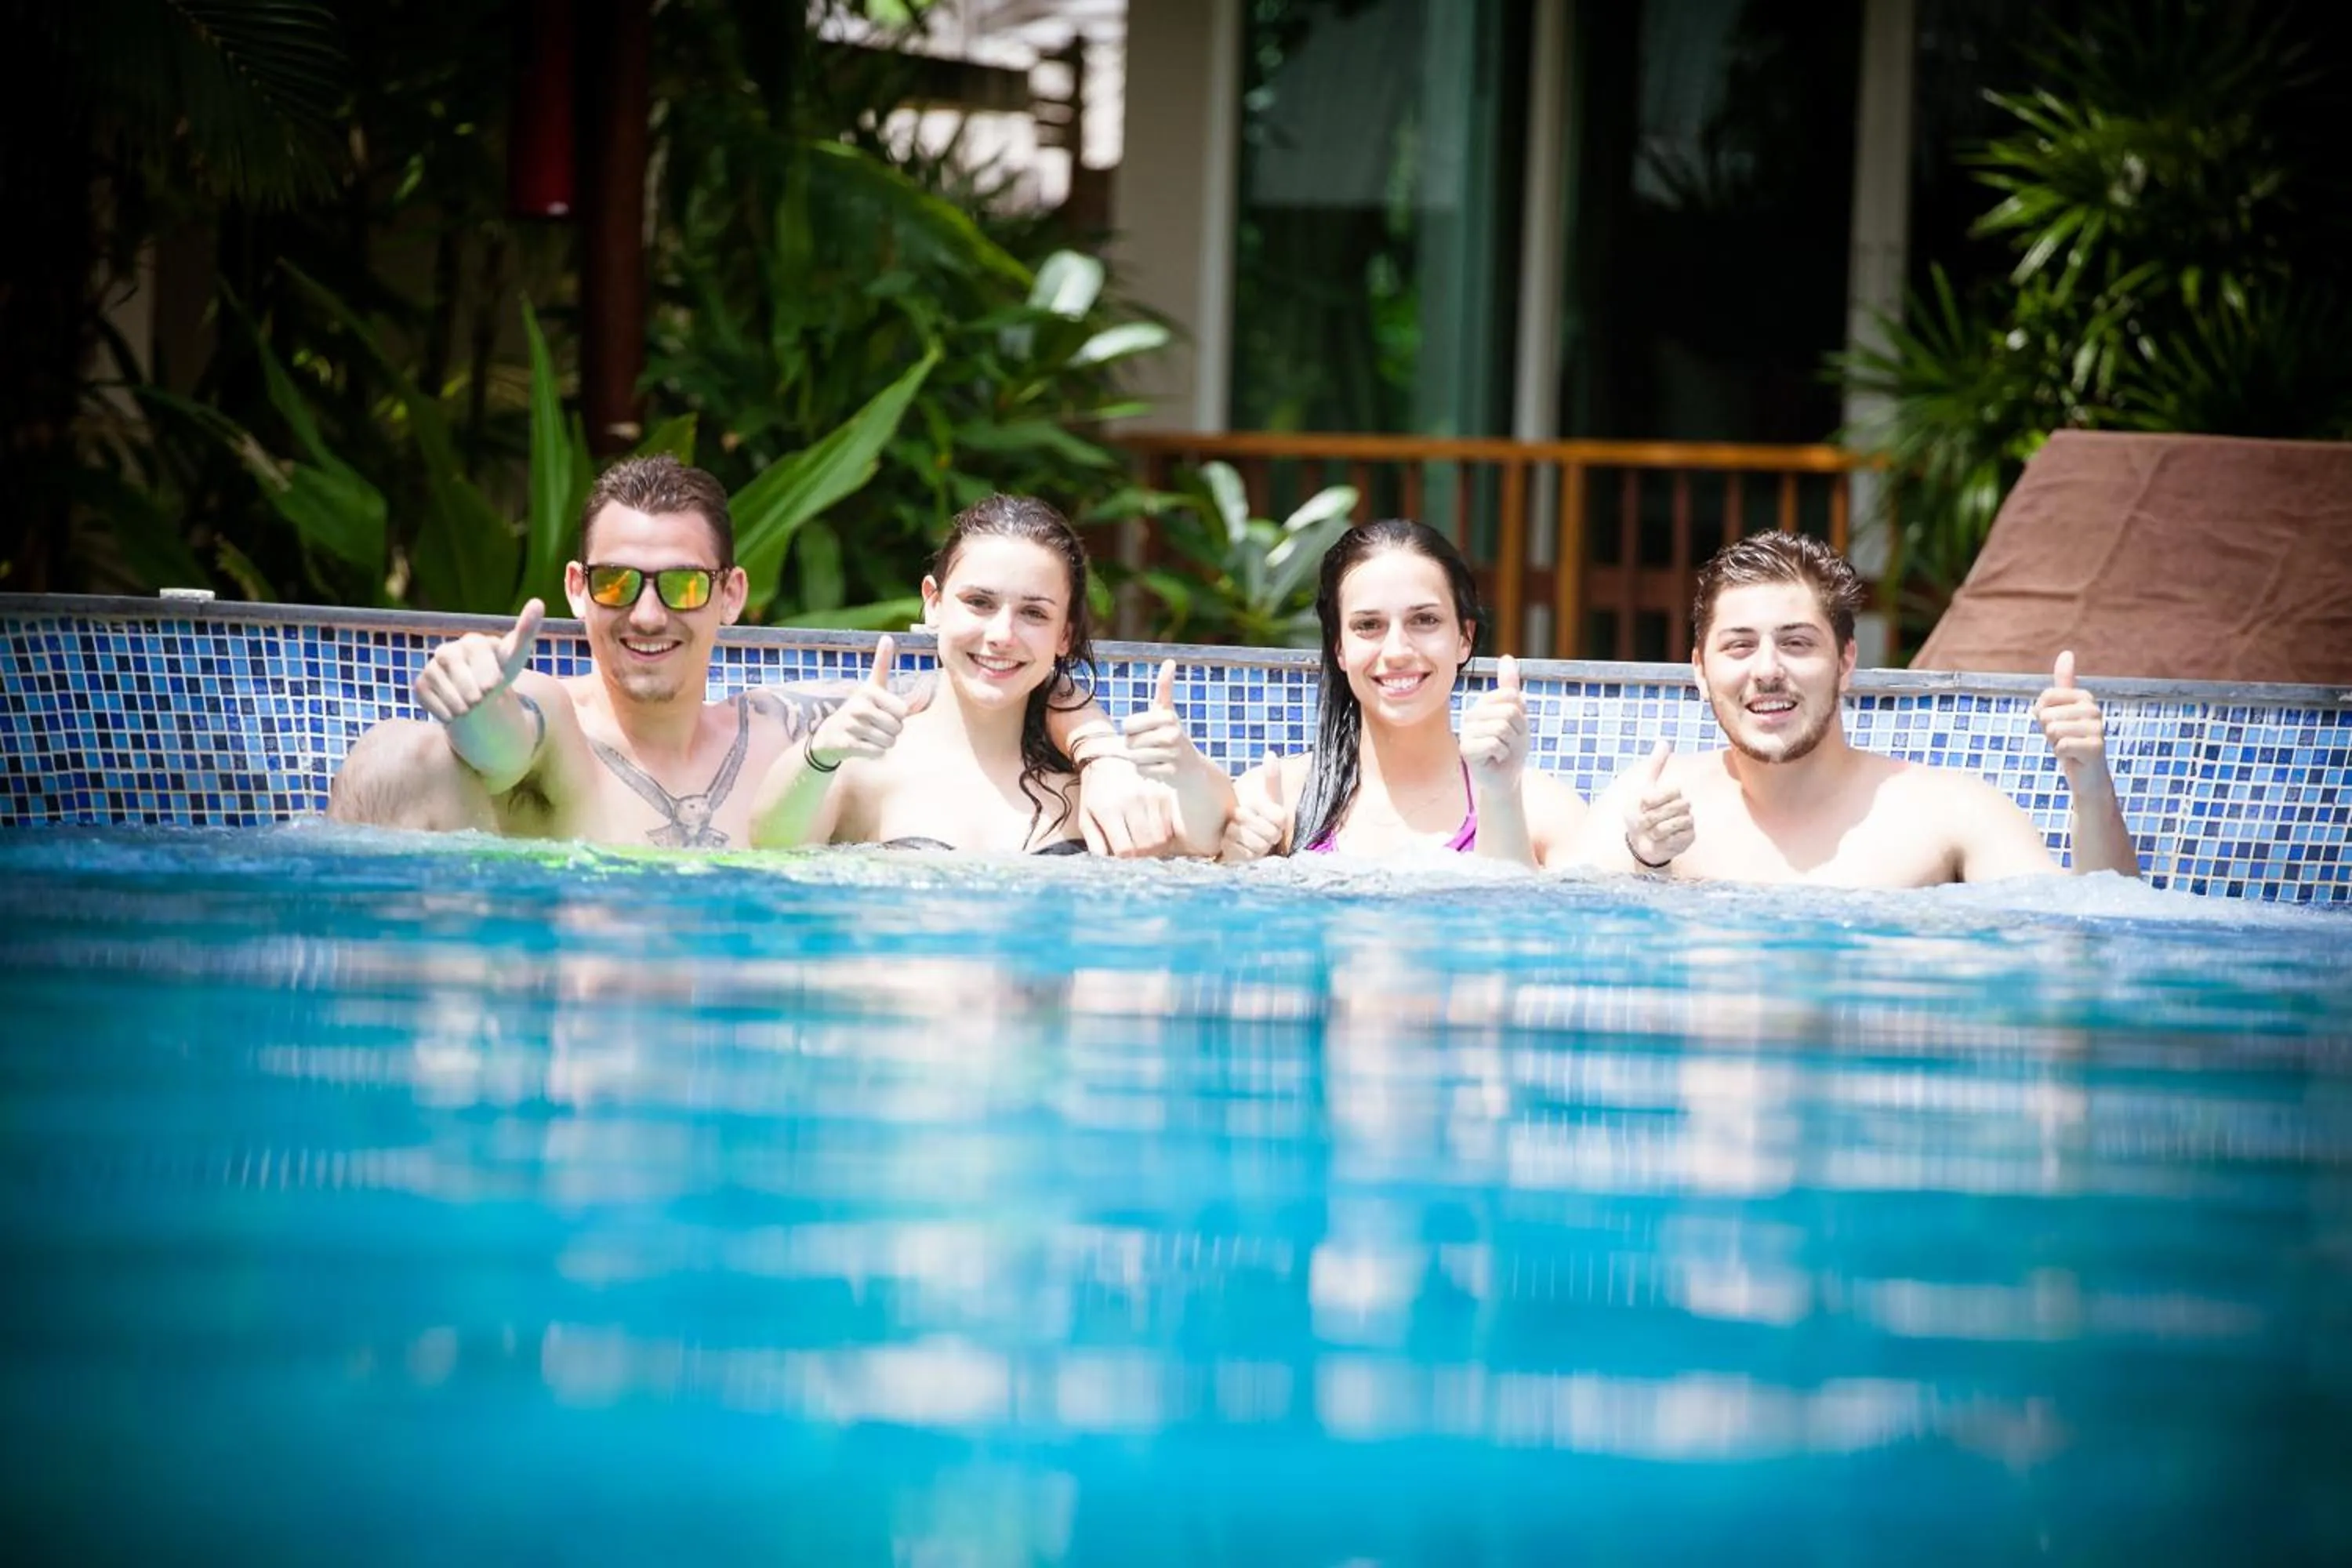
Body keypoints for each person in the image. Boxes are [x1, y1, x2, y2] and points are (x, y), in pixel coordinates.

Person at [327, 456, 1177, 851]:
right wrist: (473, 704)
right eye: (618, 583)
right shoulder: (555, 720)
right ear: (579, 589)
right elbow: (501, 743)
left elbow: (990, 677)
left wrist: (1101, 750)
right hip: (585, 1040)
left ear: (731, 594)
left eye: (682, 585)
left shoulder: (781, 727)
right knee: (400, 758)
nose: (648, 614)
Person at [1573, 529, 2139, 885]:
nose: (1767, 670)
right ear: (1700, 670)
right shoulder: (1641, 808)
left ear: (1846, 662)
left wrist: (2091, 789)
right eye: (1740, 646)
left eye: (1797, 643)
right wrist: (1644, 866)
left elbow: (2094, 942)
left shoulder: (1949, 814)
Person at [752, 493, 1229, 855]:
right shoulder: (868, 769)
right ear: (934, 603)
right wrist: (821, 752)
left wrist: (1183, 765)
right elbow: (771, 847)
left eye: (1034, 613)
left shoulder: (1098, 784)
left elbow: (1213, 840)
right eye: (979, 603)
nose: (1002, 635)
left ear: (1065, 634)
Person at [1217, 518, 1587, 866]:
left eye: (1425, 620)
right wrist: (1237, 869)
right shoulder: (1272, 803)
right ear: (1339, 647)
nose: (1396, 652)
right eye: (1368, 625)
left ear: (1464, 637)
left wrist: (1501, 797)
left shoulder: (1540, 811)